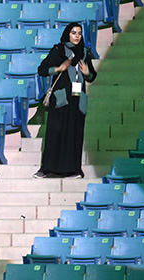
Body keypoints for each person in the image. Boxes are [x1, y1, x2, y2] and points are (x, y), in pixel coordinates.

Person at [34, 22, 97, 179]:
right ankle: (46, 169)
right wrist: (58, 68)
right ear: (67, 34)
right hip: (61, 99)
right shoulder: (59, 50)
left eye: (79, 33)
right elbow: (42, 70)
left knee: (75, 134)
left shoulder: (84, 52)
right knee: (55, 133)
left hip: (77, 100)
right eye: (73, 33)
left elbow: (92, 76)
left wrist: (87, 73)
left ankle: (74, 170)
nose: (77, 36)